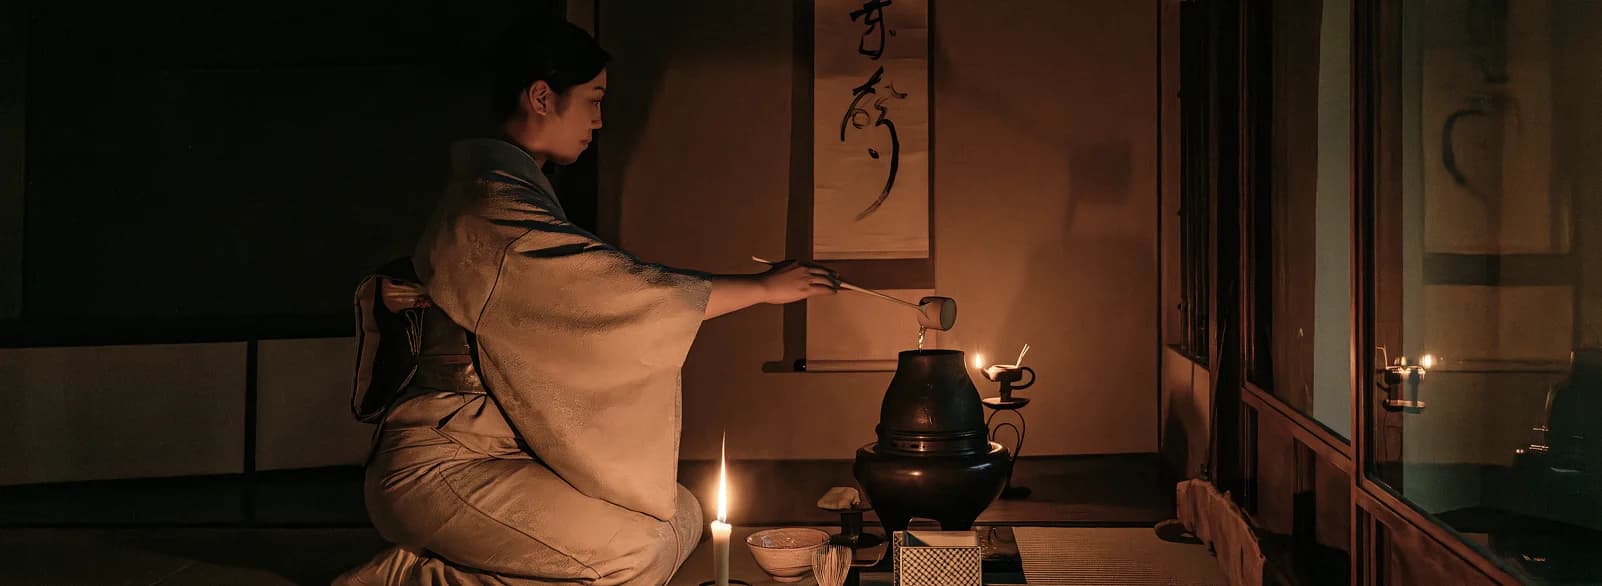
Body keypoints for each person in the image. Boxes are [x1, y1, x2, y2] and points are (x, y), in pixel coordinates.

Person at [335, 19, 838, 585]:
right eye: (593, 100)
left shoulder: (511, 198)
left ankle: (451, 566)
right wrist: (764, 290)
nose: (599, 120)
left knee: (683, 513)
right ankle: (415, 579)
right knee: (635, 551)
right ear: (542, 97)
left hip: (506, 458)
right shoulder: (487, 207)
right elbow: (615, 293)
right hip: (441, 465)